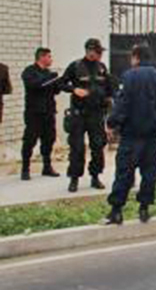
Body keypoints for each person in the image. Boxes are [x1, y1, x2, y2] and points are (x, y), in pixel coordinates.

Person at [104, 44, 156, 225]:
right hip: (153, 135)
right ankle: (144, 209)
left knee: (124, 172)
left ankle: (116, 211)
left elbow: (122, 104)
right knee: (149, 172)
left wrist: (111, 123)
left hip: (132, 134)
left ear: (136, 57)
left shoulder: (129, 76)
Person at [60, 38, 115, 192]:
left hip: (96, 114)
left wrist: (109, 105)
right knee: (77, 147)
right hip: (79, 114)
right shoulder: (75, 66)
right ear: (90, 51)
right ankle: (74, 178)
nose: (100, 55)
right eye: (98, 52)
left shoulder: (102, 68)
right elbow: (61, 83)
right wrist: (73, 90)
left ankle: (95, 176)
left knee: (98, 146)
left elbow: (109, 89)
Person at [20, 48, 61, 180]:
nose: (51, 59)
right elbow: (35, 85)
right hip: (34, 113)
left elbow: (55, 90)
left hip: (48, 111)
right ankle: (25, 168)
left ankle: (47, 166)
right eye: (49, 57)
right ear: (41, 57)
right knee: (29, 140)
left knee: (49, 139)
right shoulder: (29, 72)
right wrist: (50, 78)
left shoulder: (48, 73)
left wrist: (58, 83)